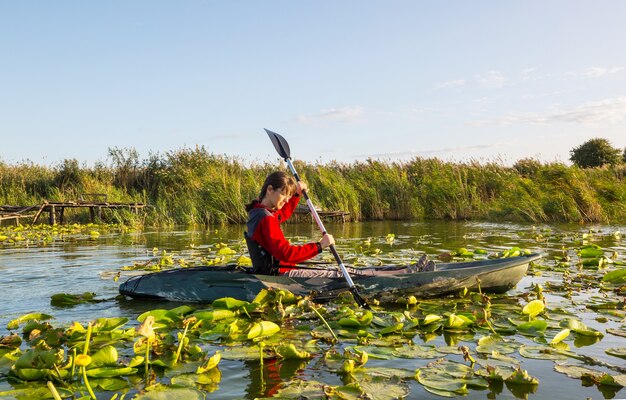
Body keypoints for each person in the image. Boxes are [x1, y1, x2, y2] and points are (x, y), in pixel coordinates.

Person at [244, 171, 335, 275]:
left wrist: (296, 195)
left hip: (274, 269)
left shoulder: (258, 211)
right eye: (284, 194)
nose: (287, 200)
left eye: (289, 196)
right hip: (279, 274)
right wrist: (320, 245)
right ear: (270, 189)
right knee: (337, 274)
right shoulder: (266, 219)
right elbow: (287, 254)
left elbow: (281, 214)